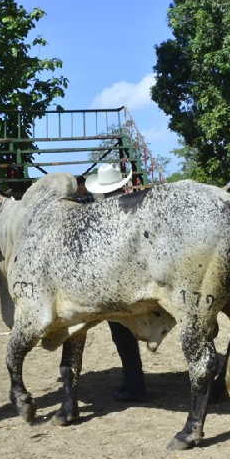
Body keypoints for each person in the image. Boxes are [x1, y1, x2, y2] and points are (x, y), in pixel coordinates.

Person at [83, 165, 147, 401]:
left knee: (122, 334)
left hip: (117, 284)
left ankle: (134, 383)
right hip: (142, 277)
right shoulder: (136, 205)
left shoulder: (100, 212)